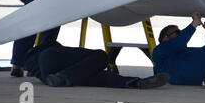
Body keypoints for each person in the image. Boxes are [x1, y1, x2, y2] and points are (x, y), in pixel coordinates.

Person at [24, 41, 169, 89]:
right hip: (48, 57)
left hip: (46, 75)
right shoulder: (49, 50)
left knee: (96, 76)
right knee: (101, 55)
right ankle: (63, 77)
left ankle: (135, 83)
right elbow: (53, 46)